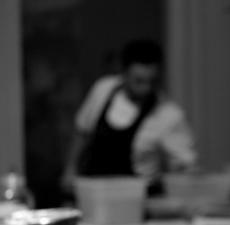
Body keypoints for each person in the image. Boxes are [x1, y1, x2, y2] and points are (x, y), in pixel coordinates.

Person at [64, 40, 196, 196]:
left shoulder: (169, 115)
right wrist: (70, 170)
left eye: (152, 82)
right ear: (123, 73)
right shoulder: (103, 89)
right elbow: (82, 131)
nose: (146, 89)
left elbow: (185, 165)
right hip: (94, 193)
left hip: (137, 199)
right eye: (139, 81)